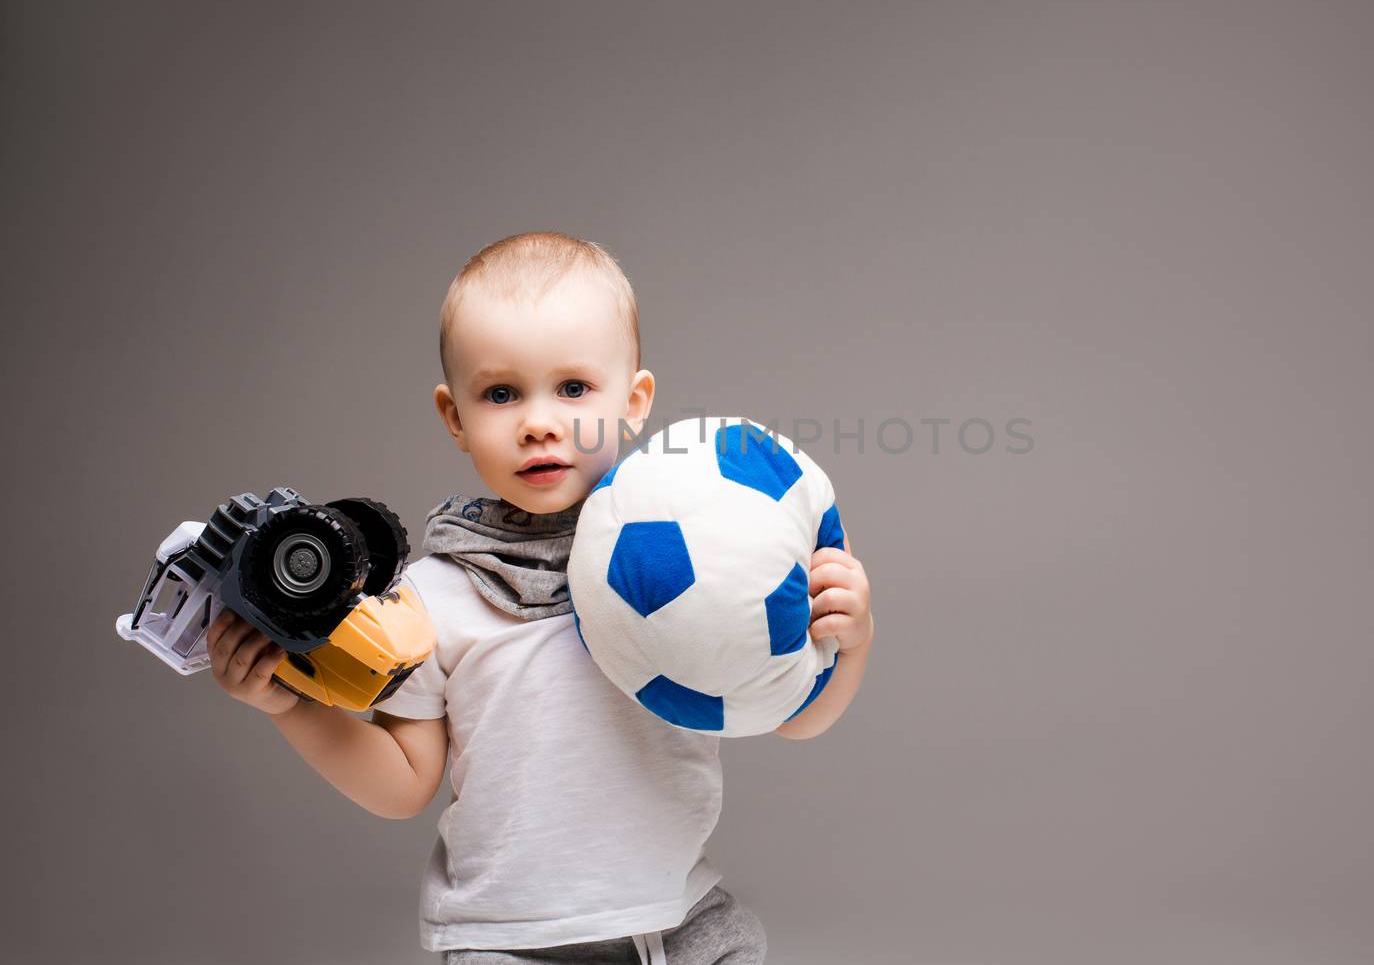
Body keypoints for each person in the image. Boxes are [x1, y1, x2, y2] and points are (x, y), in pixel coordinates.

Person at [205, 231, 876, 964]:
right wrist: (290, 704)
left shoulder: (698, 560)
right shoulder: (432, 596)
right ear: (454, 415)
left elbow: (792, 719)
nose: (538, 420)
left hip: (678, 919)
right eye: (500, 393)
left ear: (635, 400)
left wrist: (850, 641)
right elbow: (403, 785)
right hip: (509, 941)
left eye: (575, 388)